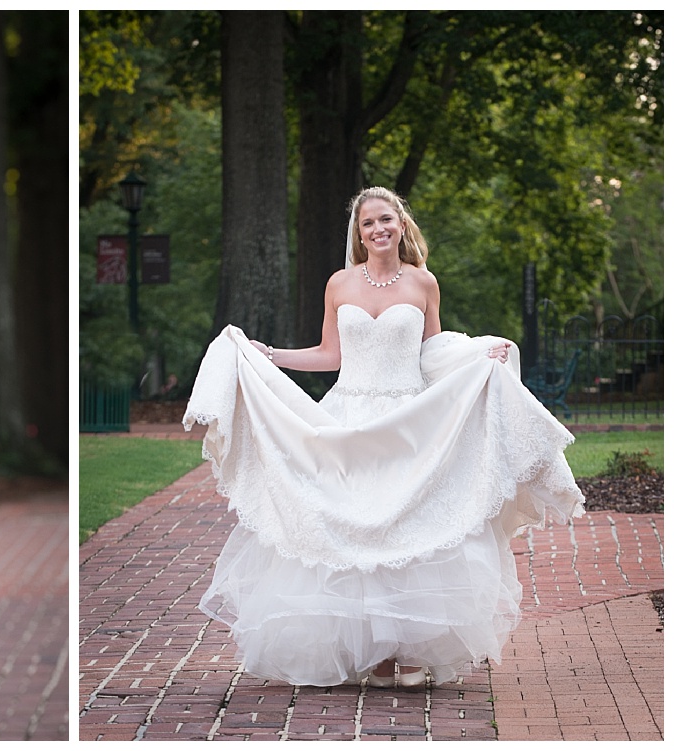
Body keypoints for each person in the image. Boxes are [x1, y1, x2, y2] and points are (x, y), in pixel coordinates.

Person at [183, 186, 584, 689]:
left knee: (406, 526)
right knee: (352, 524)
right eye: (368, 223)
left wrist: (477, 357)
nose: (378, 229)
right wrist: (271, 356)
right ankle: (372, 651)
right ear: (359, 233)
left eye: (386, 220)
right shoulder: (339, 283)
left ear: (401, 225)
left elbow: (433, 350)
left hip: (408, 418)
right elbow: (331, 354)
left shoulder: (422, 282)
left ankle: (412, 649)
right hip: (348, 415)